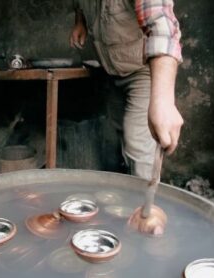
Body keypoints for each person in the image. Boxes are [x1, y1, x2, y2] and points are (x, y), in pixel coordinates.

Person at [70, 0, 184, 179]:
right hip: (112, 72)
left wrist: (163, 101)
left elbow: (162, 26)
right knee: (120, 140)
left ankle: (146, 205)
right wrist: (80, 21)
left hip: (142, 72)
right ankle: (127, 199)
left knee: (138, 144)